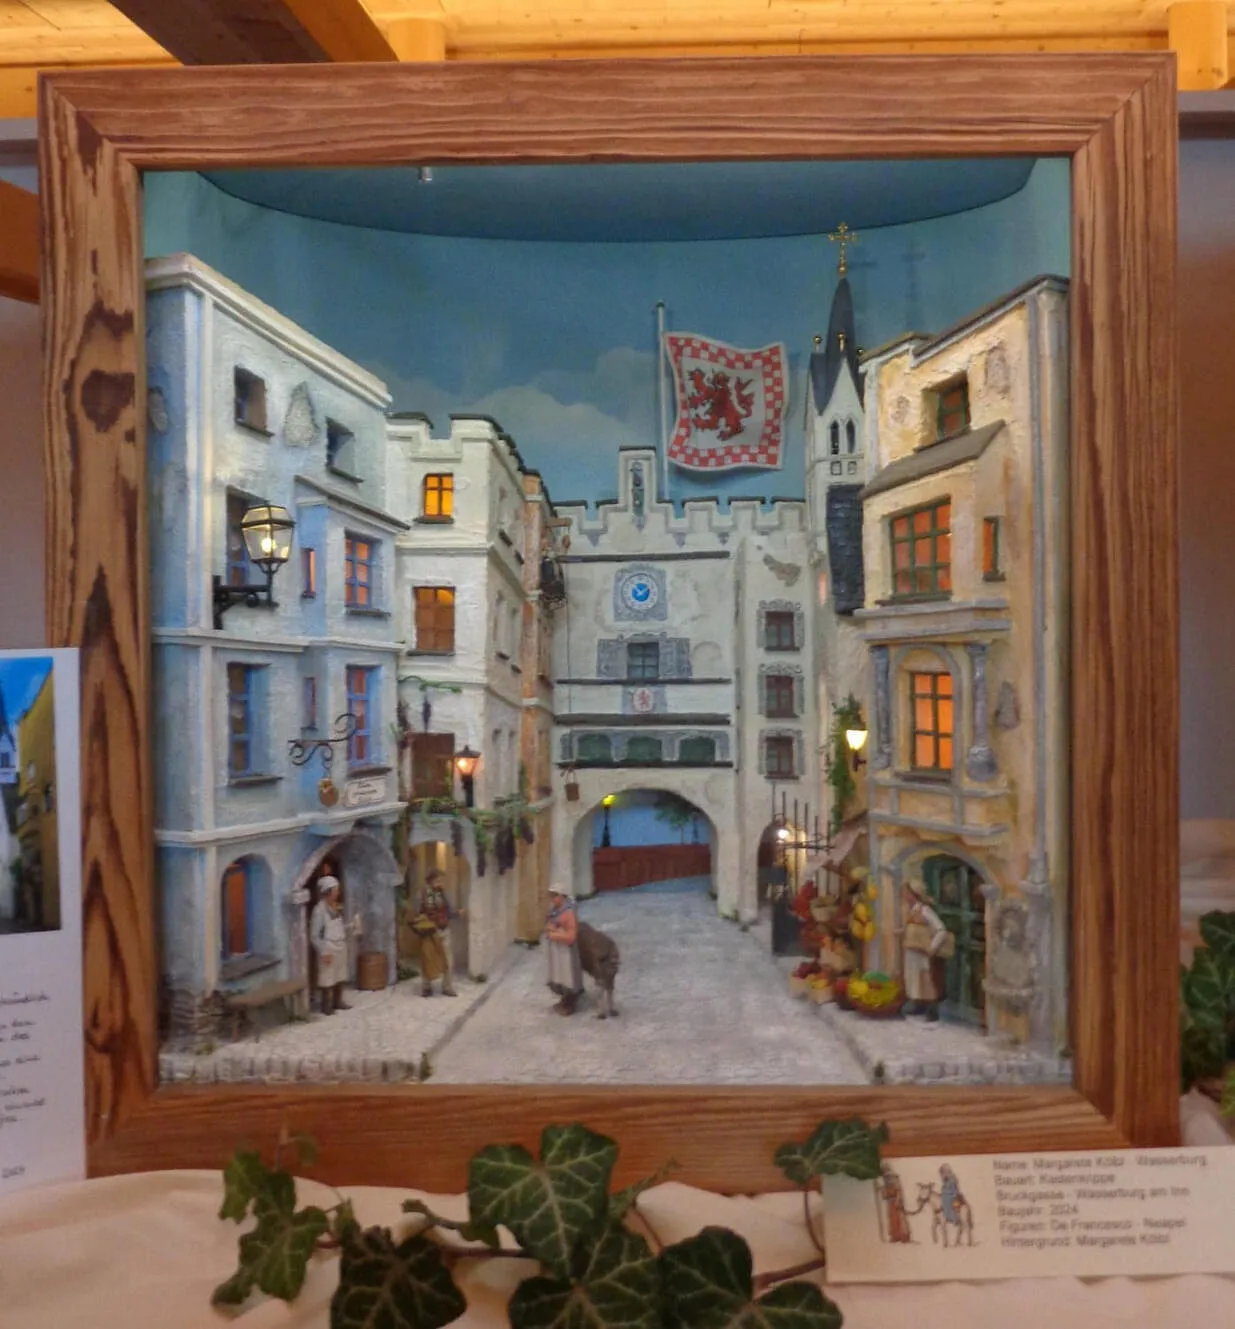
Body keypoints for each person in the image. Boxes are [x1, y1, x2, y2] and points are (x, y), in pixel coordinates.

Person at [901, 878, 951, 1021]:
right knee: (913, 978)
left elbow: (941, 929)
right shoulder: (912, 910)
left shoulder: (925, 910)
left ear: (914, 894)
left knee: (925, 979)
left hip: (921, 951)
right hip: (911, 950)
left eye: (907, 893)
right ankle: (919, 1005)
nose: (905, 896)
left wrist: (932, 947)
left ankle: (932, 1010)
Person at [310, 874, 360, 1015]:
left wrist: (351, 926)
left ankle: (337, 1001)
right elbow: (314, 935)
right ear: (328, 892)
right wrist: (323, 951)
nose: (337, 893)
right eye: (335, 890)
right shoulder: (319, 911)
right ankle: (326, 1005)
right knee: (327, 977)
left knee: (340, 974)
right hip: (328, 947)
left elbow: (338, 926)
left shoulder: (336, 907)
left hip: (340, 945)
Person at [414, 868, 459, 998]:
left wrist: (457, 914)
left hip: (443, 930)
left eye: (441, 880)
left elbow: (449, 911)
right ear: (431, 881)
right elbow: (417, 912)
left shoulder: (443, 894)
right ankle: (426, 987)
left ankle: (447, 987)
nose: (440, 883)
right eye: (438, 880)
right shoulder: (421, 894)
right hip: (429, 932)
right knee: (427, 959)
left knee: (448, 961)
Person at [545, 885, 583, 1015]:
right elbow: (550, 923)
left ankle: (570, 1002)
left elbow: (571, 936)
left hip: (565, 952)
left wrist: (554, 934)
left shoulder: (568, 913)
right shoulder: (555, 911)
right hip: (557, 950)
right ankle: (564, 999)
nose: (552, 899)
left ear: (562, 896)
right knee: (558, 976)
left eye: (554, 896)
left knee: (567, 977)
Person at [876, 1163, 912, 1244]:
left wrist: (897, 1200)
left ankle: (903, 1236)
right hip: (891, 1203)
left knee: (899, 1219)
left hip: (896, 1202)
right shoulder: (886, 1179)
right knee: (892, 1219)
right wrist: (880, 1189)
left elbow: (898, 1190)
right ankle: (895, 1236)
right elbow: (886, 1194)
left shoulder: (893, 1178)